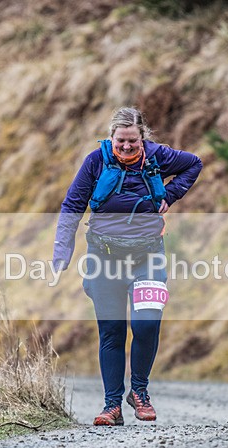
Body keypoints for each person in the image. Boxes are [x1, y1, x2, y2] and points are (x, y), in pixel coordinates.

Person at [52, 107, 202, 426]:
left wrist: (171, 195)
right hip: (103, 257)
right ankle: (112, 406)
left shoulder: (158, 156)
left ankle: (140, 392)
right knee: (112, 331)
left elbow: (194, 163)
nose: (127, 147)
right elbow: (73, 205)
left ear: (142, 138)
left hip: (148, 255)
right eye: (121, 140)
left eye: (133, 141)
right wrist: (61, 253)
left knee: (146, 324)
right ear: (112, 138)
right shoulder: (95, 161)